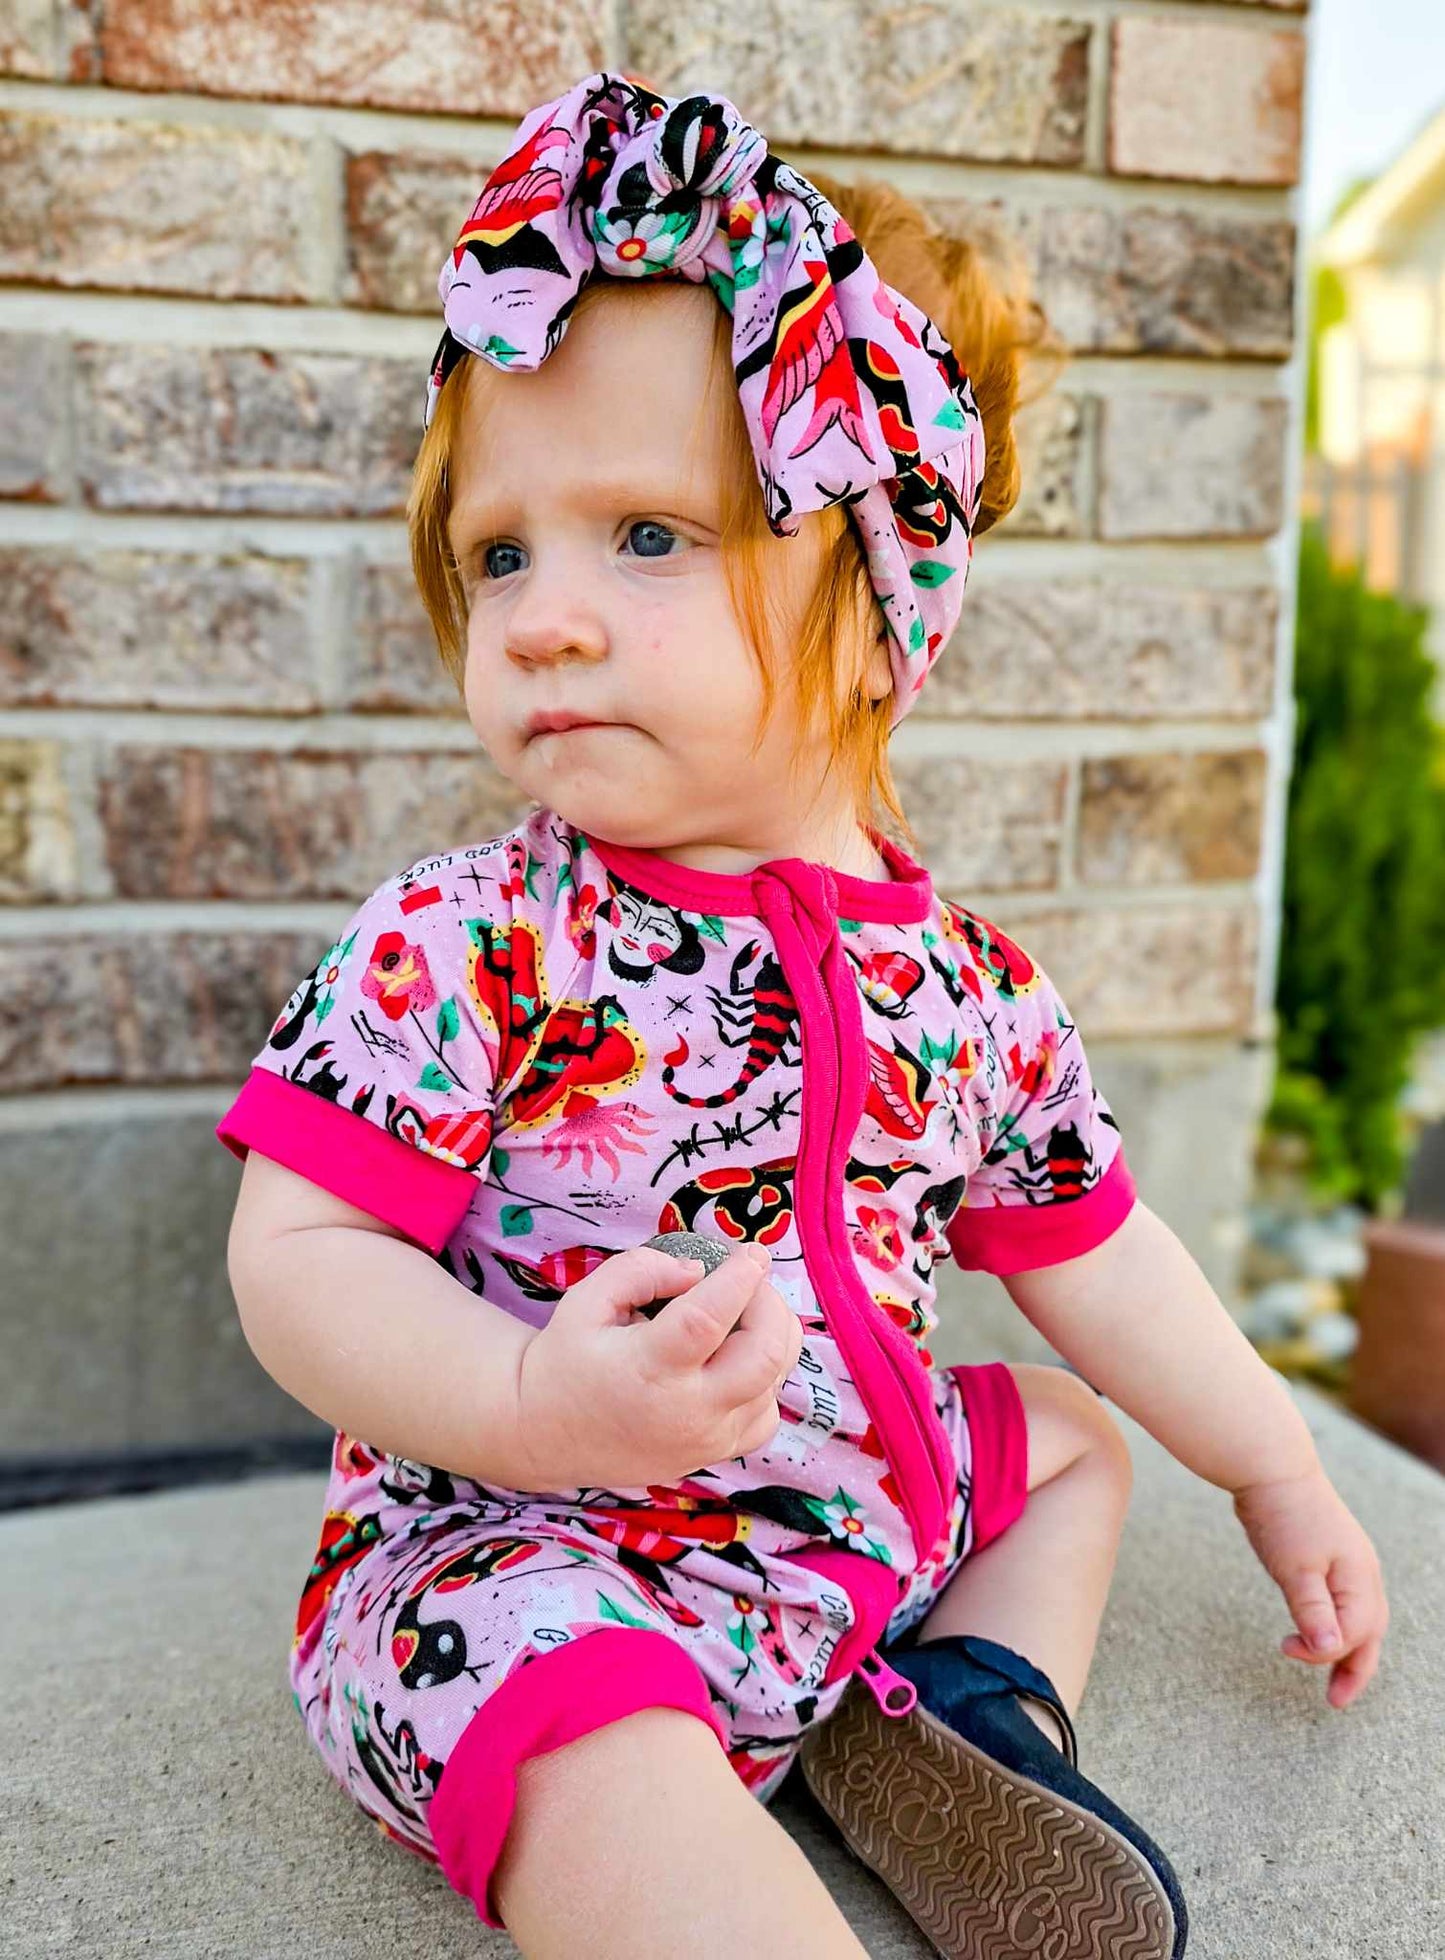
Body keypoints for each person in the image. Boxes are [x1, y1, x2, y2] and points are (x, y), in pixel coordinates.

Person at [218, 72, 1388, 1960]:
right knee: (584, 1730)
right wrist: (523, 1407)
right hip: (525, 1551)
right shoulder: (472, 933)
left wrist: (1271, 1460)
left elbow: (1102, 1253)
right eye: (500, 551)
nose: (540, 617)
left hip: (836, 1528)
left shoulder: (971, 987)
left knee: (1069, 1438)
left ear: (878, 598)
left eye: (646, 536)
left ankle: (968, 1719)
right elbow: (297, 1255)